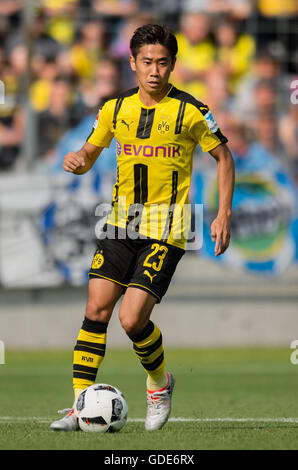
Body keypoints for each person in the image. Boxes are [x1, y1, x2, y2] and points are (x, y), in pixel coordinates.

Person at [50, 23, 235, 432]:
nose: (155, 70)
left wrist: (223, 214)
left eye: (163, 63)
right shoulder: (115, 109)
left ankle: (158, 382)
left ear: (173, 65)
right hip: (120, 222)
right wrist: (79, 160)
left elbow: (225, 158)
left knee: (131, 320)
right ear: (132, 63)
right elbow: (89, 151)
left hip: (168, 228)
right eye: (147, 62)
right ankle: (80, 407)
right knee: (95, 309)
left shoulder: (191, 111)